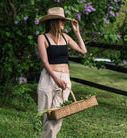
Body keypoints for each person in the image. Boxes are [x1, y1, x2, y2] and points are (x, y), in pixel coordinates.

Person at [37, 7, 87, 138]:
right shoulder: (42, 38)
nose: (64, 23)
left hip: (65, 78)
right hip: (48, 77)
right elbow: (45, 62)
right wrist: (56, 79)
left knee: (58, 114)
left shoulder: (66, 37)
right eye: (62, 21)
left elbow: (83, 51)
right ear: (54, 22)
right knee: (46, 115)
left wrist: (77, 32)